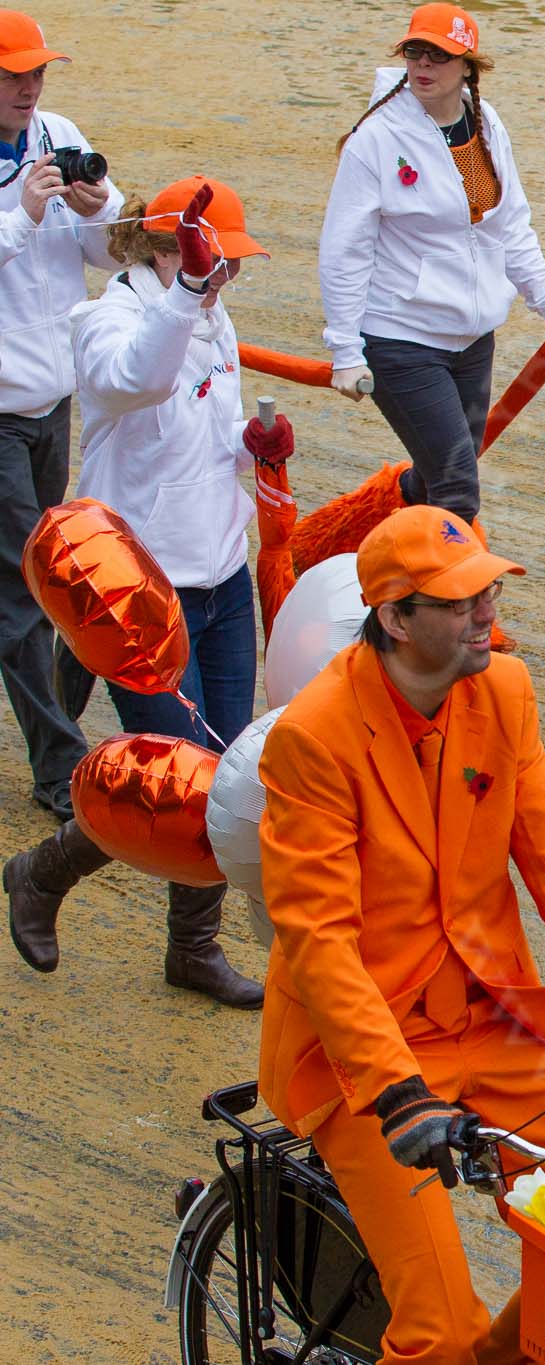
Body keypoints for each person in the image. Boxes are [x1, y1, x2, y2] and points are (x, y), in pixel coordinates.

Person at [257, 505, 545, 1363]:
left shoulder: (504, 691)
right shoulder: (313, 736)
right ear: (396, 619)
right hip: (368, 1055)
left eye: (488, 590)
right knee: (438, 1334)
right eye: (461, 598)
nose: (486, 611)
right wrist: (398, 1093)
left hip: (492, 1024)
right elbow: (319, 939)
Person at [3, 177, 283, 1005]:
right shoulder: (104, 321)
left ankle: (190, 948)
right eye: (218, 261)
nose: (230, 276)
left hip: (221, 575)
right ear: (165, 250)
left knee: (225, 778)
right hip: (140, 595)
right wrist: (192, 291)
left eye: (230, 264)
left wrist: (252, 444)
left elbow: (202, 435)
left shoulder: (211, 315)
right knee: (181, 781)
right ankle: (44, 872)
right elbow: (139, 380)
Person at [320, 3, 545, 524]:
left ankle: (368, 531)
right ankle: (451, 580)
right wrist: (346, 350)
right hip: (400, 337)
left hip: (473, 340)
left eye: (439, 55)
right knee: (458, 490)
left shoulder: (486, 124)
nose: (424, 64)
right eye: (415, 51)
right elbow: (344, 250)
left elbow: (511, 229)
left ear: (468, 67)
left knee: (437, 475)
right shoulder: (376, 139)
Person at [0, 9, 121, 822]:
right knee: (22, 586)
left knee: (53, 577)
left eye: (37, 72)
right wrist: (24, 216)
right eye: (14, 75)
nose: (30, 87)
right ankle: (59, 770)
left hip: (54, 396)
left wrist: (100, 203)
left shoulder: (61, 134)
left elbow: (110, 255)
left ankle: (57, 727)